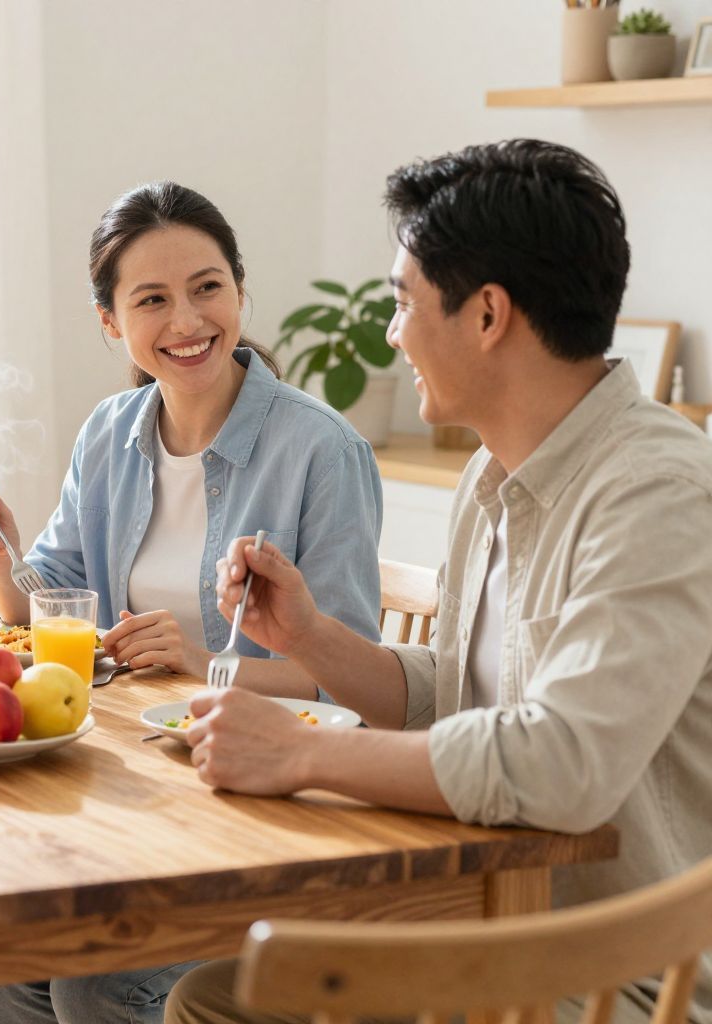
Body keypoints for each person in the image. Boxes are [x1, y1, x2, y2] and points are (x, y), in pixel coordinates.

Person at [167, 139, 712, 1024]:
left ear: (488, 314)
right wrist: (311, 637)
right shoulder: (491, 477)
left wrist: (303, 750)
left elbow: (561, 763)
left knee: (225, 1004)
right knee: (217, 994)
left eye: (403, 302)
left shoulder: (658, 493)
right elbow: (466, 696)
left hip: (622, 976)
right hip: (492, 921)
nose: (391, 332)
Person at [0, 181, 384, 1024]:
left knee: (97, 982)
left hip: (272, 807)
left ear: (238, 289)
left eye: (207, 287)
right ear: (112, 321)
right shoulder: (110, 432)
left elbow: (355, 688)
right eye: (152, 299)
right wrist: (0, 565)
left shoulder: (319, 450)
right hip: (139, 787)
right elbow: (55, 609)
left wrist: (202, 665)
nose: (188, 321)